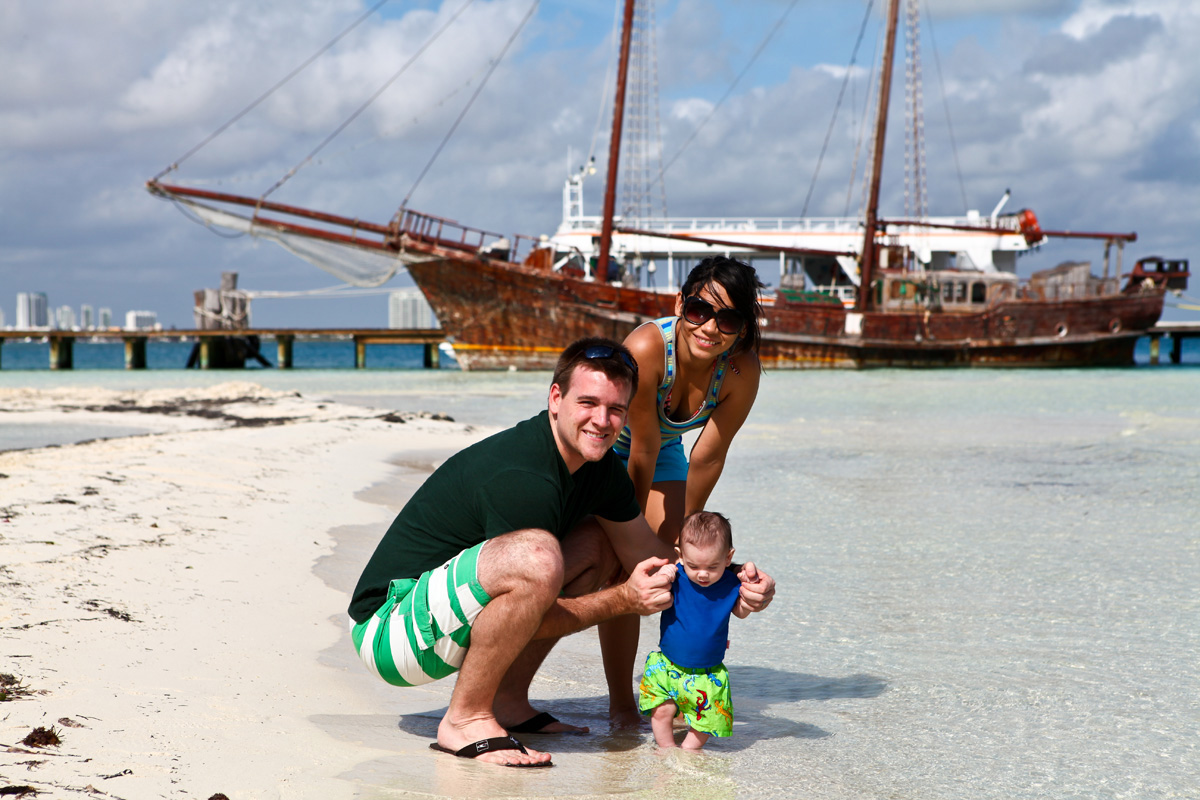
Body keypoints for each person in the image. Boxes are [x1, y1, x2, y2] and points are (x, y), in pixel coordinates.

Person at [347, 337, 775, 767]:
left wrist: (734, 580)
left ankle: (507, 701)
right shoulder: (525, 474)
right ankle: (464, 719)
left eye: (616, 409)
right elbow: (531, 608)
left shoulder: (600, 471)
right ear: (556, 398)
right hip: (392, 633)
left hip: (442, 614)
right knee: (539, 558)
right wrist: (623, 600)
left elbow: (650, 556)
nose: (602, 421)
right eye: (587, 403)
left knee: (601, 542)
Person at [602, 255, 766, 724]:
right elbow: (639, 450)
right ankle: (621, 705)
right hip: (605, 447)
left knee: (680, 563)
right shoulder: (647, 348)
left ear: (742, 327)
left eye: (728, 319)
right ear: (680, 304)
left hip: (662, 451)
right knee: (624, 564)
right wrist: (630, 528)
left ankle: (679, 686)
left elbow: (708, 456)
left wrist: (685, 532)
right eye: (699, 310)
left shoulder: (740, 370)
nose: (710, 328)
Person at [638, 511, 752, 750]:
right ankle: (666, 749)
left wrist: (749, 595)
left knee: (705, 722)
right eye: (693, 565)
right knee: (662, 710)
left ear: (728, 557)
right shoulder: (676, 578)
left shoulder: (731, 584)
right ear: (680, 555)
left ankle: (688, 752)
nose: (702, 573)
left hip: (707, 673)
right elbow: (651, 594)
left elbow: (741, 612)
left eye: (712, 566)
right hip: (667, 666)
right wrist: (664, 573)